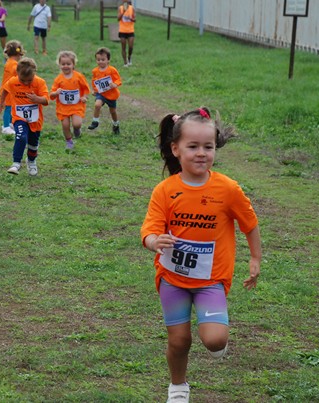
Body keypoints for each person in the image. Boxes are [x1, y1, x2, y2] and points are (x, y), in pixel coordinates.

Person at [140, 108, 262, 403]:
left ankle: (216, 337)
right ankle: (178, 387)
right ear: (175, 149)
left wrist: (255, 258)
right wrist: (154, 241)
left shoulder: (228, 189)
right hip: (172, 278)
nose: (201, 153)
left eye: (208, 147)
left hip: (210, 280)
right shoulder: (165, 190)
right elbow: (149, 229)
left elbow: (250, 223)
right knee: (179, 340)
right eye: (192, 147)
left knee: (215, 340)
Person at [0, 57, 49, 176]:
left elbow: (46, 100)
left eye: (29, 80)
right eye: (22, 80)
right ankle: (16, 163)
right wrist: (2, 102)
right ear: (17, 74)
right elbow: (5, 89)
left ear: (34, 73)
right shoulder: (13, 81)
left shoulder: (40, 82)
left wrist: (37, 99)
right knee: (21, 137)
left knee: (33, 143)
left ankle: (31, 162)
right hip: (19, 117)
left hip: (35, 120)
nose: (26, 83)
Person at [50, 51, 91, 150]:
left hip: (76, 105)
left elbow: (85, 88)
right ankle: (69, 141)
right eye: (63, 64)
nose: (66, 66)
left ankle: (77, 130)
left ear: (73, 65)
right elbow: (51, 94)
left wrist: (84, 97)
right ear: (59, 65)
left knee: (77, 123)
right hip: (63, 107)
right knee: (65, 125)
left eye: (68, 64)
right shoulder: (58, 79)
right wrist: (56, 93)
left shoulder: (78, 76)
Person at [88, 47, 122, 135]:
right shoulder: (95, 71)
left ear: (108, 60)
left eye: (103, 59)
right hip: (101, 93)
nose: (100, 61)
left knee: (113, 111)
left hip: (111, 94)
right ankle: (95, 121)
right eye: (98, 59)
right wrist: (94, 90)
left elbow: (118, 80)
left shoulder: (112, 70)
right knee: (97, 105)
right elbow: (94, 81)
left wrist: (115, 84)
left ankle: (116, 124)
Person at [0, 40, 25, 135]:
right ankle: (6, 127)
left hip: (9, 89)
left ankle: (9, 124)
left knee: (11, 107)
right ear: (19, 53)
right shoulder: (14, 64)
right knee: (8, 108)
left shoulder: (9, 62)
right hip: (8, 90)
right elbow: (17, 73)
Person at [117, 0, 136, 67]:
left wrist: (132, 19)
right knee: (123, 47)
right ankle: (125, 62)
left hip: (130, 30)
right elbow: (118, 19)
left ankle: (129, 57)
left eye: (127, 2)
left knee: (130, 46)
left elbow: (135, 19)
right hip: (122, 30)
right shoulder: (120, 8)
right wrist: (123, 12)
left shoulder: (132, 8)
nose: (126, 3)